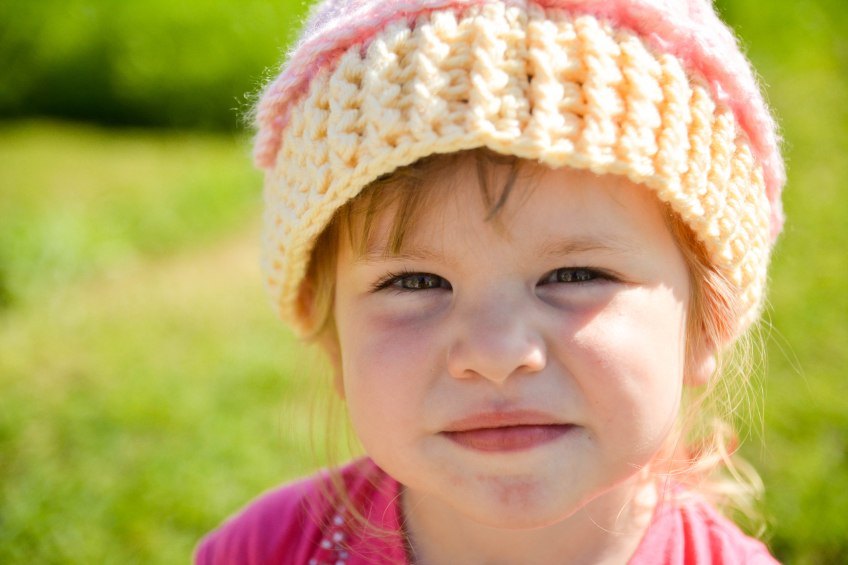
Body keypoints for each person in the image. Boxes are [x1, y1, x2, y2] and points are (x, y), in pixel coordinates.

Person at [196, 0, 785, 562]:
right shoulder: (259, 552)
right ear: (333, 339)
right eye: (416, 282)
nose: (496, 353)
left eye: (574, 275)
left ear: (706, 324)